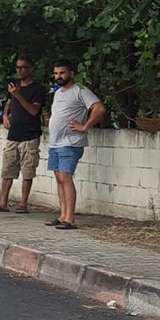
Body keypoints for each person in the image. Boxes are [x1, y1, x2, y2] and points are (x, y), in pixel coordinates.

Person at [46, 59, 105, 230]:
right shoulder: (58, 93)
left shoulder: (80, 90)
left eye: (62, 73)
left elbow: (99, 108)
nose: (59, 76)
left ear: (71, 73)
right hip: (55, 143)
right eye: (56, 73)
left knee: (65, 177)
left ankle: (70, 219)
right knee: (59, 179)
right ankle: (62, 215)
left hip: (70, 143)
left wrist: (85, 126)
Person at [0, 58, 46, 213]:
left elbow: (34, 110)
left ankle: (23, 204)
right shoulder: (15, 87)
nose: (19, 71)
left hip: (30, 134)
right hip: (13, 134)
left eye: (23, 68)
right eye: (17, 67)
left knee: (27, 170)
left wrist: (19, 95)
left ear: (31, 69)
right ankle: (2, 202)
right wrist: (5, 115)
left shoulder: (37, 89)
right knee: (7, 169)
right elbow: (9, 101)